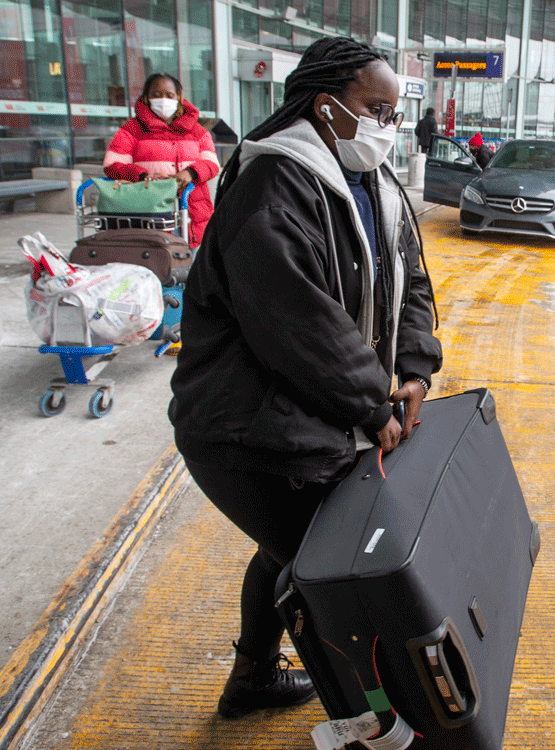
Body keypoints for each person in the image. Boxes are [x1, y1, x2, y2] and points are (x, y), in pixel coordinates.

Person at [167, 37, 443, 719]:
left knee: (292, 552)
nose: (389, 125)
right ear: (326, 107)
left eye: (396, 112)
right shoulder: (273, 184)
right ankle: (370, 717)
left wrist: (412, 368)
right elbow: (297, 324)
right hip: (249, 430)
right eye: (376, 108)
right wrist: (369, 405)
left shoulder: (374, 183)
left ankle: (254, 680)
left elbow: (411, 284)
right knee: (329, 574)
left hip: (312, 415)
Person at [102, 72, 219, 248]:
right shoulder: (131, 129)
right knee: (158, 260)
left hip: (193, 211)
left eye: (169, 95)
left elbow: (212, 164)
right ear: (147, 98)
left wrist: (190, 173)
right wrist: (142, 176)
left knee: (193, 267)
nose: (163, 100)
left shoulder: (197, 131)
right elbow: (112, 165)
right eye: (156, 95)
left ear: (178, 97)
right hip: (151, 212)